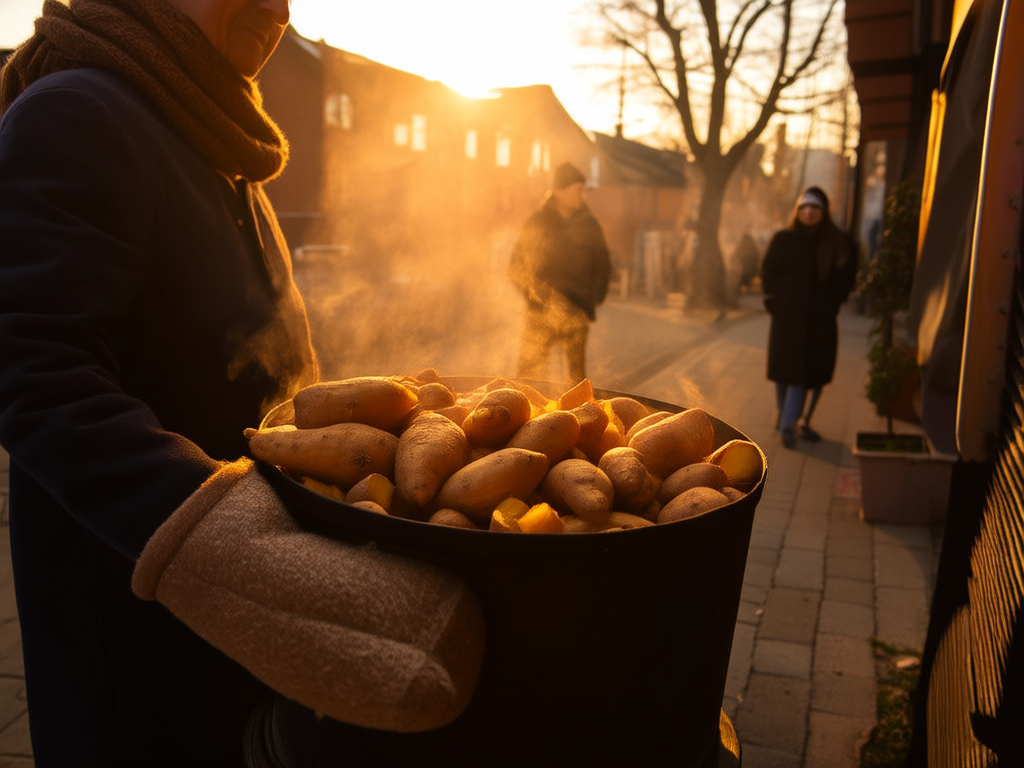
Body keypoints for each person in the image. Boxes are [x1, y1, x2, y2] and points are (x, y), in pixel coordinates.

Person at [0, 1, 484, 766]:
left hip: (244, 641)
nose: (275, 8)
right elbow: (30, 361)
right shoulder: (78, 111)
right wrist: (236, 542)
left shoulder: (219, 142)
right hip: (136, 638)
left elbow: (249, 357)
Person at [761, 186, 858, 448]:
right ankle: (785, 416)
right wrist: (771, 299)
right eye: (805, 207)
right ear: (798, 211)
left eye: (815, 208)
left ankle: (789, 425)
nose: (810, 213)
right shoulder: (784, 239)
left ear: (824, 212)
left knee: (806, 374)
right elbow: (769, 270)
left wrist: (836, 300)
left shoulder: (837, 242)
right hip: (787, 318)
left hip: (820, 321)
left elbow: (847, 275)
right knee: (784, 372)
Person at [508, 161, 612, 384]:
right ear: (559, 190)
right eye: (578, 190)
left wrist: (592, 297)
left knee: (575, 381)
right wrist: (534, 294)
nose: (582, 196)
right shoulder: (538, 222)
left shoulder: (589, 225)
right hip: (540, 313)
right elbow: (517, 266)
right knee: (529, 377)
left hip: (577, 312)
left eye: (583, 190)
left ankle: (576, 417)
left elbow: (603, 265)